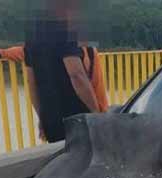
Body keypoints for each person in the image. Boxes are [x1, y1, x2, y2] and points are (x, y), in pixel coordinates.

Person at [19, 3, 103, 142]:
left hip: (52, 122)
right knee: (83, 161)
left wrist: (42, 117)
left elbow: (31, 82)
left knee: (64, 162)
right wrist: (96, 114)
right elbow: (76, 75)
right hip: (77, 119)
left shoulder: (32, 33)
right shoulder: (64, 30)